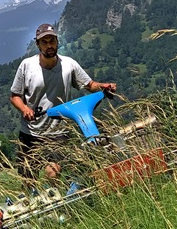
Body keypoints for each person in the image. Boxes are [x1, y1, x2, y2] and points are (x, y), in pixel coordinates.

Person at [9, 23, 116, 182]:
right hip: (30, 133)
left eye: (52, 41)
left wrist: (103, 86)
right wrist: (24, 109)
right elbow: (14, 96)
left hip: (59, 133)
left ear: (57, 41)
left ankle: (56, 202)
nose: (49, 45)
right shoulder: (27, 66)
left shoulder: (69, 65)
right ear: (37, 44)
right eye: (44, 42)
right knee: (28, 181)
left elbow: (89, 85)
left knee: (53, 173)